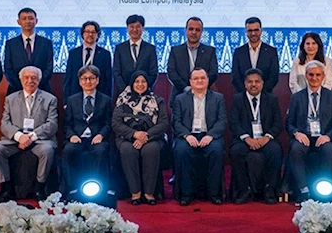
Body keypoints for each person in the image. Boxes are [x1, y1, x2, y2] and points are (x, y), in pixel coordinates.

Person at [0, 66, 58, 201]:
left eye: (34, 78)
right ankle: (6, 187)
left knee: (47, 150)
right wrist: (19, 136)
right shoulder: (10, 99)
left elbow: (52, 124)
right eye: (26, 77)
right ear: (21, 80)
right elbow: (4, 124)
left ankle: (39, 188)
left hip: (40, 139)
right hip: (15, 139)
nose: (30, 81)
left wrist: (31, 137)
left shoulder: (50, 99)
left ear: (39, 80)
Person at [112, 71, 168, 205]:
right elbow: (116, 123)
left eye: (143, 81)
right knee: (128, 150)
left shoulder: (157, 100)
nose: (140, 84)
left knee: (150, 150)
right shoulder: (122, 100)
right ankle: (135, 192)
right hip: (127, 137)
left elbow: (163, 123)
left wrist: (145, 135)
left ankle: (149, 193)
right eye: (137, 81)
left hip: (152, 137)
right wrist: (134, 134)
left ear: (148, 83)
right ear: (132, 84)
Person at [172, 68, 227, 206]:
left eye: (203, 78)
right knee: (182, 150)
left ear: (208, 80)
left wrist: (210, 135)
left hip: (210, 135)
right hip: (187, 135)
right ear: (190, 81)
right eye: (196, 78)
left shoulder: (218, 98)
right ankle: (186, 194)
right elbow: (176, 122)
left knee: (216, 150)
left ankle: (214, 193)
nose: (199, 81)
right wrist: (187, 135)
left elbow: (222, 121)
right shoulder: (180, 99)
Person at [286, 61, 332, 202]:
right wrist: (296, 133)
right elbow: (289, 122)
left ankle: (323, 190)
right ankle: (303, 190)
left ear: (323, 76)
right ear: (306, 76)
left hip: (323, 136)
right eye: (311, 75)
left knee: (329, 149)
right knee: (296, 149)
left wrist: (328, 136)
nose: (314, 78)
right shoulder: (297, 97)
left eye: (318, 75)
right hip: (304, 136)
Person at [229, 68, 283, 204]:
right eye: (250, 82)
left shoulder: (271, 99)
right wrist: (247, 138)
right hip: (245, 140)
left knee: (276, 151)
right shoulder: (237, 99)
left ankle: (270, 190)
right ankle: (243, 190)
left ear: (262, 83)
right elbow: (234, 123)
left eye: (257, 81)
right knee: (236, 151)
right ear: (245, 84)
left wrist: (266, 138)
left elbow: (278, 123)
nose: (253, 85)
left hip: (265, 139)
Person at [61, 65, 113, 196]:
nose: (88, 81)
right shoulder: (72, 100)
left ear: (97, 80)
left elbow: (108, 123)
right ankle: (71, 187)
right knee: (68, 151)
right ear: (80, 81)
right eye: (84, 78)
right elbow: (67, 124)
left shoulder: (106, 100)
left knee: (101, 151)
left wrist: (101, 135)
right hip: (78, 138)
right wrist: (72, 136)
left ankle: (100, 188)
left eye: (91, 78)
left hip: (97, 138)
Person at [167, 17, 218, 104]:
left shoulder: (210, 51)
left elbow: (213, 73)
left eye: (197, 30)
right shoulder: (175, 51)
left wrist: (199, 88)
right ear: (186, 30)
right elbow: (171, 73)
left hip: (204, 97)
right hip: (180, 95)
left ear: (201, 32)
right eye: (191, 29)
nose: (194, 32)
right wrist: (186, 88)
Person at [4, 8, 54, 95]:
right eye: (24, 19)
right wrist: (23, 86)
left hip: (42, 90)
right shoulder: (11, 44)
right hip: (16, 90)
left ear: (36, 21)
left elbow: (49, 67)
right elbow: (8, 68)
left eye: (31, 18)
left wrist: (35, 85)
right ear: (18, 22)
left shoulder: (46, 43)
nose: (27, 21)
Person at [63, 21, 113, 106]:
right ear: (82, 34)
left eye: (93, 32)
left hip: (99, 97)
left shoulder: (105, 54)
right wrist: (66, 101)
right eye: (87, 32)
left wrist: (107, 101)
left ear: (98, 35)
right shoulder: (73, 53)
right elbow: (68, 78)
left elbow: (108, 80)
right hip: (76, 95)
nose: (90, 34)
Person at [231, 17, 280, 95]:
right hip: (243, 97)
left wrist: (260, 94)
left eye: (256, 30)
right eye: (250, 31)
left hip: (266, 96)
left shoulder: (271, 51)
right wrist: (247, 94)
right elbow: (235, 77)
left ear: (261, 31)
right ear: (246, 32)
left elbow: (274, 77)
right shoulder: (238, 52)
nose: (253, 33)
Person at [113, 14, 159, 94]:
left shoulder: (150, 48)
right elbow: (116, 72)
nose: (135, 29)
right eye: (132, 26)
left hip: (145, 93)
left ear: (143, 28)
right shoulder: (120, 48)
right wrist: (126, 90)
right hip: (123, 93)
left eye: (138, 27)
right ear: (127, 28)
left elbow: (153, 73)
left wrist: (142, 88)